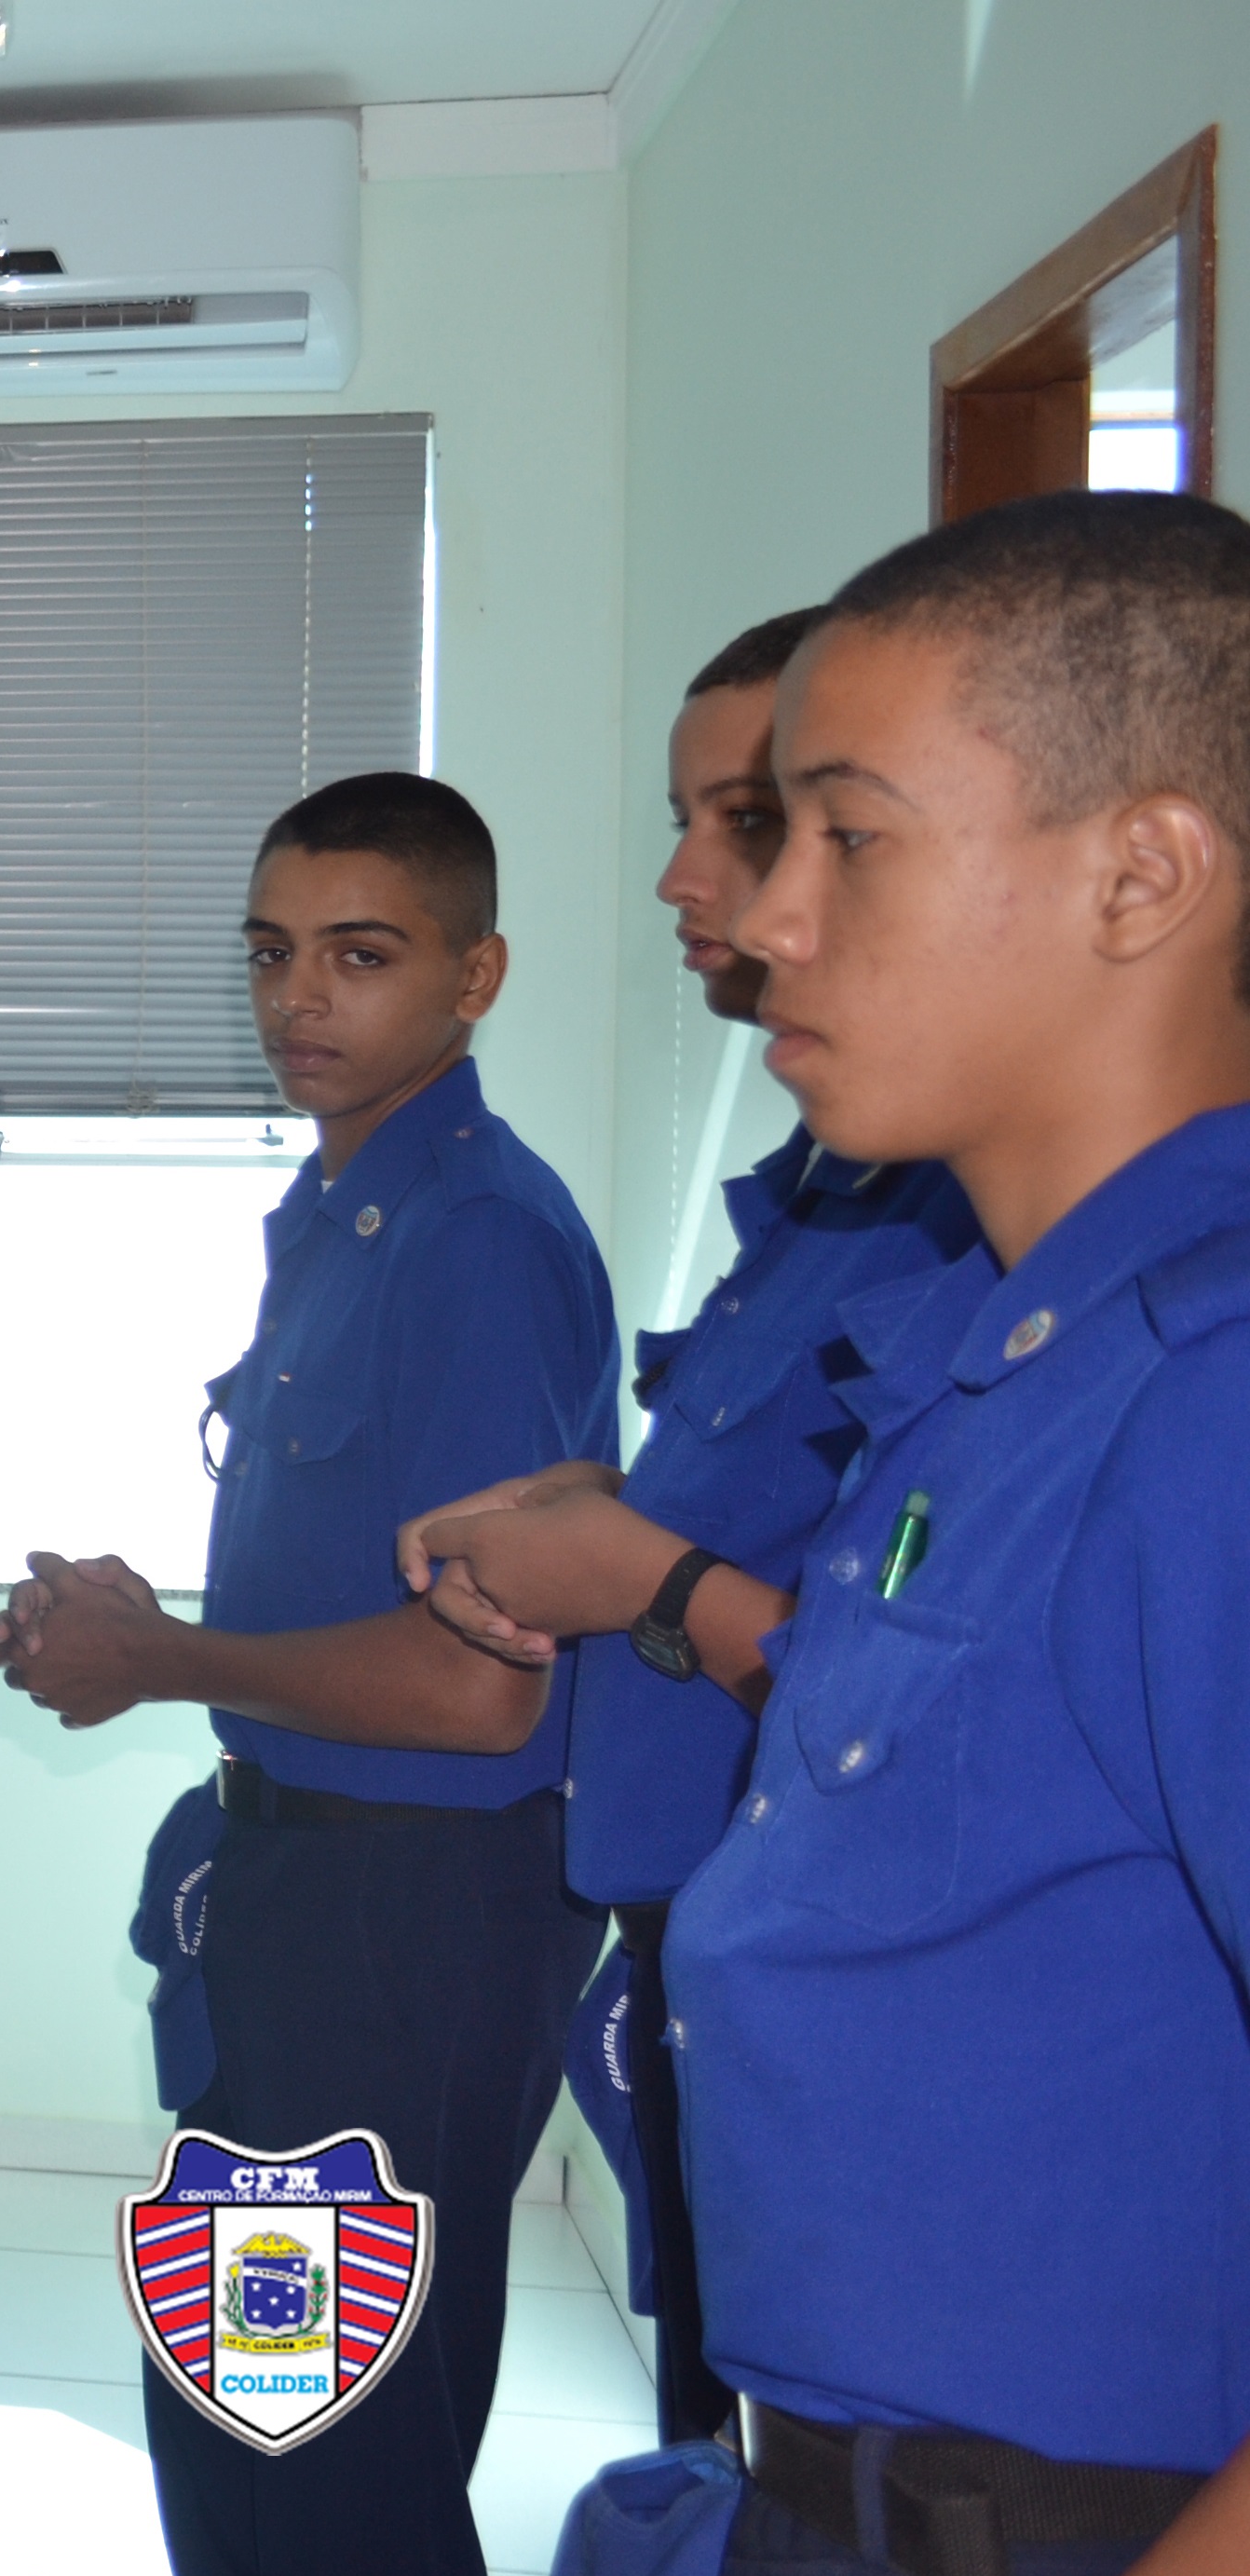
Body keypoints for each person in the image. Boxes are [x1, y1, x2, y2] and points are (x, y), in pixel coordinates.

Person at [411, 491, 1250, 2576]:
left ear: (1140, 876)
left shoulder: (1212, 1398)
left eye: (845, 839)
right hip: (838, 2532)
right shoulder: (1013, 1362)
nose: (767, 919)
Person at [0, 770, 618, 2576]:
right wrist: (135, 1627)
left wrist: (158, 1659)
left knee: (326, 2458)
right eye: (269, 954)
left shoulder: (472, 1239)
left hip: (407, 1921)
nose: (299, 998)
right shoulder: (341, 1210)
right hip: (304, 1896)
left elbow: (484, 1682)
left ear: (473, 975)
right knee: (246, 2419)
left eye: (360, 954)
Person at [387, 611, 980, 2453]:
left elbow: (935, 1709)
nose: (692, 879)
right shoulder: (827, 1186)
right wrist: (602, 1522)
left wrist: (637, 1575)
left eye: (776, 821)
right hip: (705, 1954)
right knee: (717, 2491)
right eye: (708, 820)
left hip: (863, 2007)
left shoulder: (990, 1215)